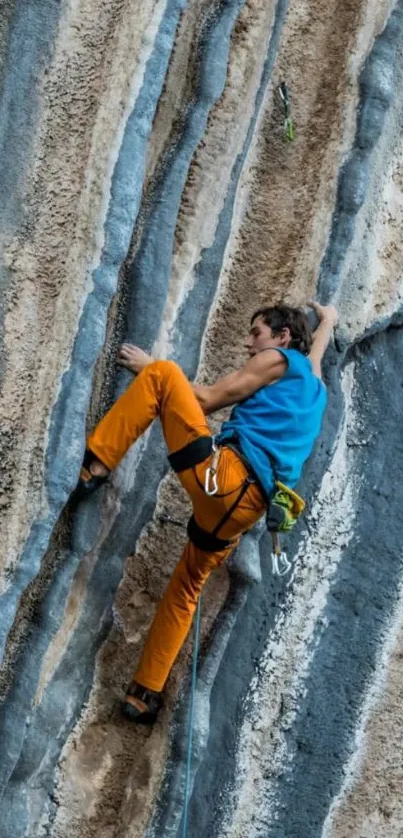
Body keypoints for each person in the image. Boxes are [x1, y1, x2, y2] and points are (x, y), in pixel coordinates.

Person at [75, 300, 338, 723]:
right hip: (243, 513)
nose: (250, 343)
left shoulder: (278, 358)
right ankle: (144, 693)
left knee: (164, 376)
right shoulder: (316, 386)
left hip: (225, 478)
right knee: (188, 586)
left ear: (283, 338)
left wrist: (149, 364)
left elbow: (210, 398)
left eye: (257, 333)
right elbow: (318, 355)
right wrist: (329, 322)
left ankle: (96, 464)